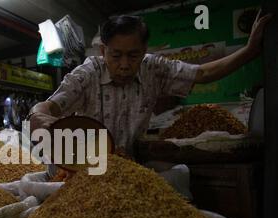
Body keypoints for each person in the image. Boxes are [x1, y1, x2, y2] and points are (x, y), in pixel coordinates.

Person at [28, 12, 273, 157]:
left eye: (133, 55)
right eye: (115, 55)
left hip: (133, 167)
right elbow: (49, 107)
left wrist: (250, 51)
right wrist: (39, 114)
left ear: (144, 51)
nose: (124, 64)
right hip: (89, 165)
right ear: (103, 51)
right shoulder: (87, 73)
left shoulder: (154, 68)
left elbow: (203, 73)